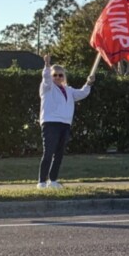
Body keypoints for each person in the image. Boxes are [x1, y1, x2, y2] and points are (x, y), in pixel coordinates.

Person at [38, 54, 94, 189]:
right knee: (48, 152)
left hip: (65, 124)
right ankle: (41, 182)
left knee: (59, 154)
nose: (57, 77)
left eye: (60, 75)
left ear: (64, 76)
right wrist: (47, 65)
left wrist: (89, 83)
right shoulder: (47, 88)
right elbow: (45, 78)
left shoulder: (69, 90)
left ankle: (53, 180)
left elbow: (82, 93)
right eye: (55, 75)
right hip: (50, 123)